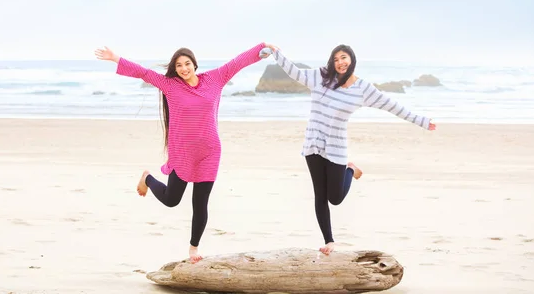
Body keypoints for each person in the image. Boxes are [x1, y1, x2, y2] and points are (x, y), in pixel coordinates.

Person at [94, 42, 274, 263]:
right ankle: (147, 178)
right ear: (175, 69)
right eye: (179, 65)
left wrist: (262, 49)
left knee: (201, 204)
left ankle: (193, 249)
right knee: (171, 200)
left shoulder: (215, 79)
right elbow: (144, 73)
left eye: (187, 63)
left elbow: (237, 63)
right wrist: (116, 58)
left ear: (194, 64)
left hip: (209, 152)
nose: (183, 68)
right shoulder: (170, 85)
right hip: (182, 153)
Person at [267, 44, 436, 255]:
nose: (340, 63)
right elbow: (295, 72)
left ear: (352, 59)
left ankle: (350, 169)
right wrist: (275, 53)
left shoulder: (363, 89)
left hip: (336, 147)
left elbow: (391, 105)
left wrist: (421, 121)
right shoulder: (321, 76)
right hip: (314, 143)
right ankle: (329, 241)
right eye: (336, 59)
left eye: (344, 58)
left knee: (335, 199)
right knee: (320, 195)